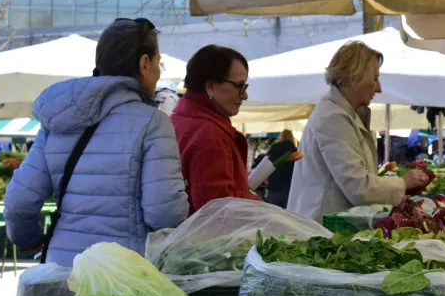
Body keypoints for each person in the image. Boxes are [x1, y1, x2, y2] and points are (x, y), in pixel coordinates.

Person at [5, 18, 188, 266]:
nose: (158, 73)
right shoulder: (153, 123)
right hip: (125, 274)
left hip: (62, 270)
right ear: (144, 64)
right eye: (158, 63)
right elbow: (164, 214)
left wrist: (29, 238)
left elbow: (20, 200)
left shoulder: (58, 117)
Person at [287, 41, 430, 222]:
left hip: (331, 224)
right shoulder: (332, 117)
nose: (378, 88)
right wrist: (403, 183)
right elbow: (358, 187)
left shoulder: (343, 113)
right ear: (355, 76)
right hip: (322, 226)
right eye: (375, 78)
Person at [172, 45, 261, 214]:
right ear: (211, 86)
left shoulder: (179, 119)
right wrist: (260, 206)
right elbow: (218, 210)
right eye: (239, 86)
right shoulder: (209, 134)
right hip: (207, 238)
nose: (244, 95)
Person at [264, 129, 298, 208]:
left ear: (281, 136)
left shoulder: (274, 148)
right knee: (286, 215)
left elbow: (265, 163)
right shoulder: (295, 150)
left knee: (272, 213)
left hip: (274, 185)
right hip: (288, 187)